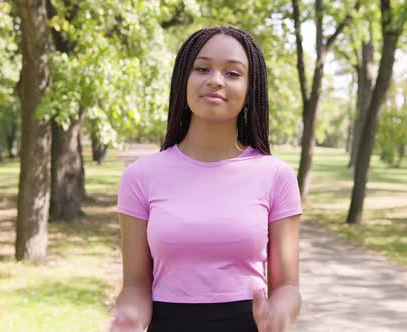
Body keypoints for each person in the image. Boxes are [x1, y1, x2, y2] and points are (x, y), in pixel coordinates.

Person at [110, 26, 303, 332]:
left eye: (233, 73)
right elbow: (135, 285)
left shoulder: (276, 176)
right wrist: (129, 318)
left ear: (250, 90)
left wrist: (279, 313)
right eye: (202, 68)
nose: (215, 79)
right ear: (183, 81)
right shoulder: (140, 177)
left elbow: (288, 287)